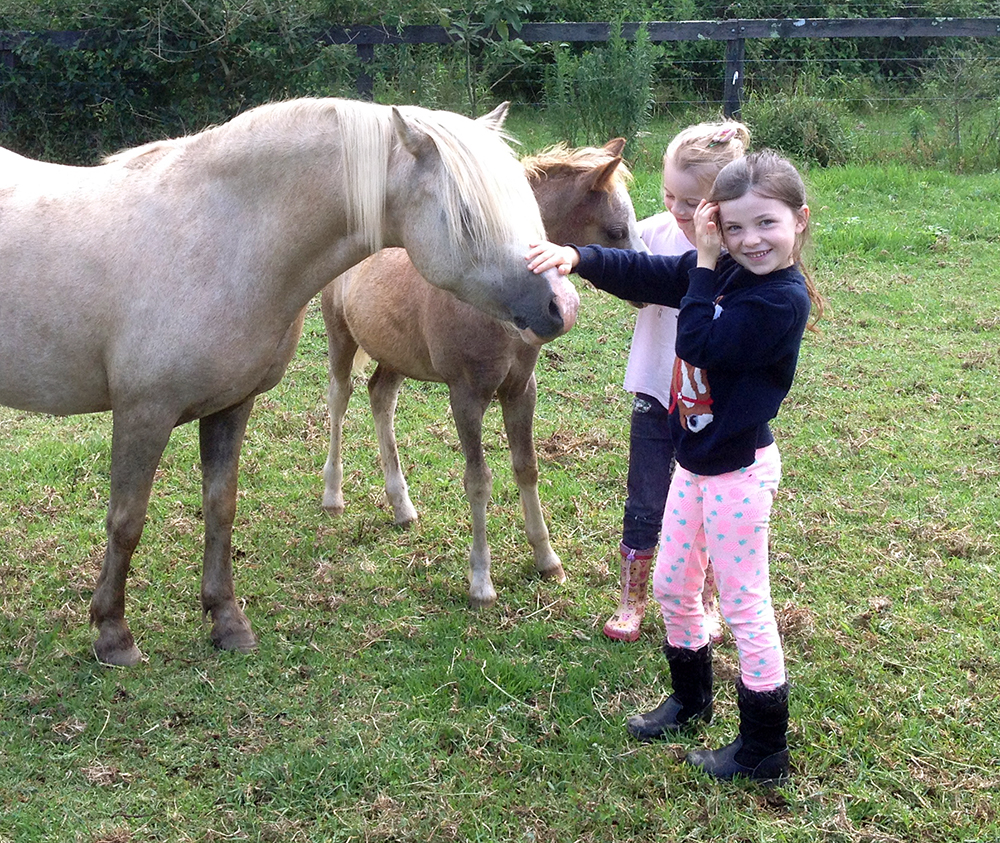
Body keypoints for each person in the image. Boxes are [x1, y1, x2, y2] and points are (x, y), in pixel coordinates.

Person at [527, 150, 824, 783]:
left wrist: (709, 261)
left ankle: (764, 747)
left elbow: (698, 342)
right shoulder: (724, 271)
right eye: (735, 226)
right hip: (694, 463)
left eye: (765, 224)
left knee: (745, 606)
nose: (751, 240)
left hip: (738, 472)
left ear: (799, 220)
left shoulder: (778, 298)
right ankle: (691, 701)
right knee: (672, 584)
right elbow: (652, 274)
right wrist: (580, 257)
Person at [604, 120, 750, 644]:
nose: (677, 211)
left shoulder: (746, 250)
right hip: (654, 388)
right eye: (669, 195)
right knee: (644, 497)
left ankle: (703, 599)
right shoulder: (654, 235)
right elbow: (624, 268)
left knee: (707, 502)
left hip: (712, 402)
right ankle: (632, 599)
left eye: (693, 202)